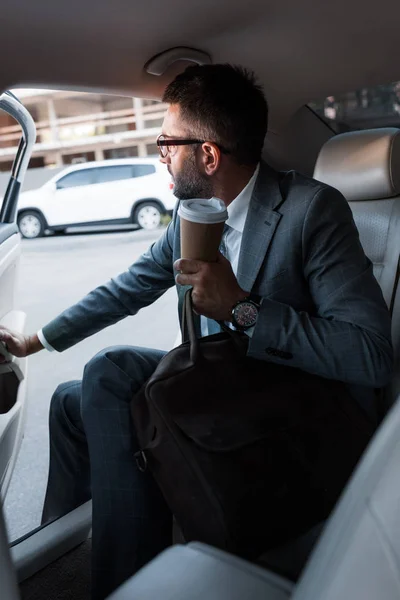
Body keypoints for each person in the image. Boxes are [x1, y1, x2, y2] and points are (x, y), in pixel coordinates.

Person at [0, 64, 393, 599]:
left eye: (167, 144)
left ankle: (123, 580)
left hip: (294, 407)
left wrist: (243, 308)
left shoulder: (310, 211)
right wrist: (36, 339)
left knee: (111, 371)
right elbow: (127, 288)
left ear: (207, 155)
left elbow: (369, 356)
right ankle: (62, 554)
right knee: (71, 404)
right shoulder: (193, 215)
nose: (161, 155)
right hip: (224, 385)